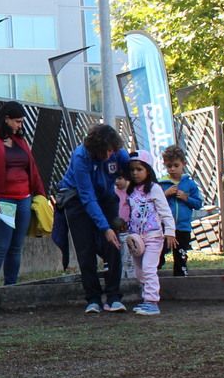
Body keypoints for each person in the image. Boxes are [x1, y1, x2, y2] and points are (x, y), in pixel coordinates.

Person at [52, 123, 130, 314]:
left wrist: (127, 179)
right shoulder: (81, 157)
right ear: (97, 149)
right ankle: (93, 298)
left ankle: (113, 297)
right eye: (108, 150)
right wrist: (105, 228)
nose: (111, 154)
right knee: (85, 248)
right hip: (78, 199)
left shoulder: (118, 153)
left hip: (106, 198)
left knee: (113, 245)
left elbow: (132, 169)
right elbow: (87, 197)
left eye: (114, 150)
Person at [0, 101, 45, 289]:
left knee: (16, 247)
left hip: (23, 198)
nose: (20, 126)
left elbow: (32, 169)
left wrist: (41, 195)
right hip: (1, 199)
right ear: (6, 119)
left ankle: (10, 288)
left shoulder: (20, 141)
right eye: (17, 122)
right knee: (0, 246)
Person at [121, 150, 176, 315]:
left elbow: (165, 211)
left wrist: (170, 232)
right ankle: (146, 298)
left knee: (149, 268)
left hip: (153, 236)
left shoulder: (154, 189)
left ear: (148, 170)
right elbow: (125, 212)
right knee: (139, 270)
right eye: (132, 170)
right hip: (136, 238)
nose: (135, 173)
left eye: (139, 169)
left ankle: (152, 302)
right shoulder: (130, 190)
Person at [158, 144, 204, 276]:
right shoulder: (161, 184)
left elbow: (198, 204)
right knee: (158, 255)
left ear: (183, 164)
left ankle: (181, 280)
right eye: (169, 166)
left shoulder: (189, 183)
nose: (172, 169)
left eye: (176, 165)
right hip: (165, 227)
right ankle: (153, 279)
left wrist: (186, 198)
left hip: (183, 227)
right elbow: (154, 203)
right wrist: (165, 194)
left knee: (180, 257)